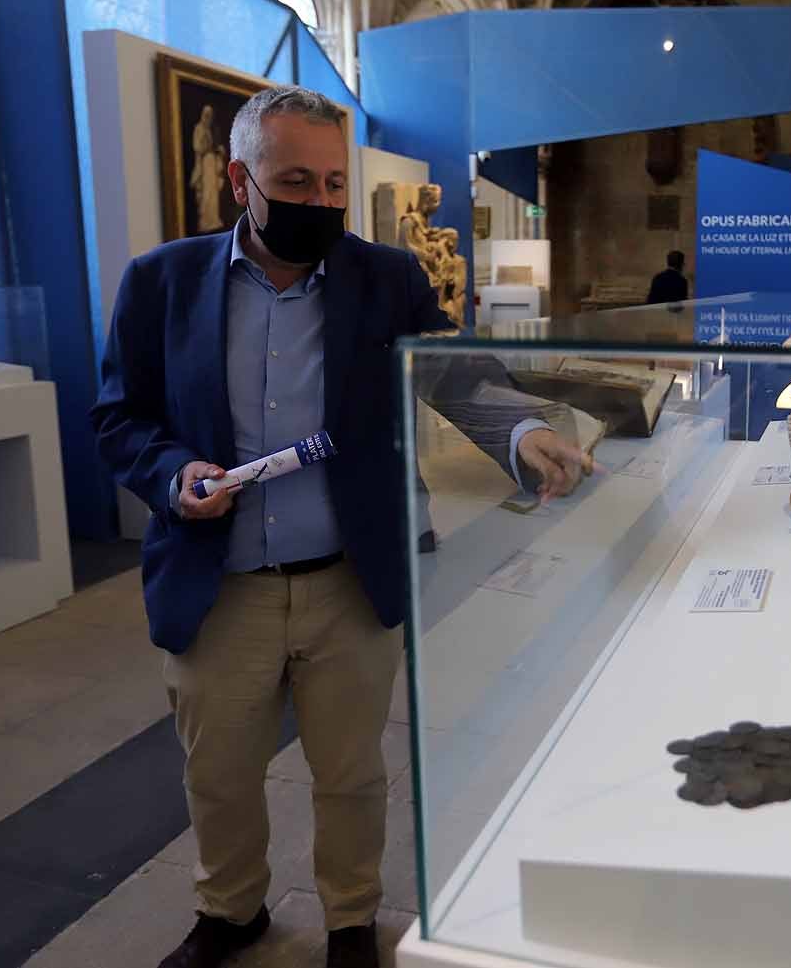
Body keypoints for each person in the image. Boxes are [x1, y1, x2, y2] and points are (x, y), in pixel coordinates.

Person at [91, 86, 589, 968]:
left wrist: (525, 429)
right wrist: (175, 476)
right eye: (297, 180)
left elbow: (457, 378)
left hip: (347, 581)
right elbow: (119, 419)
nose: (320, 202)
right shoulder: (160, 283)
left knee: (352, 775)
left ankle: (353, 919)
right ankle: (231, 908)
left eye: (332, 183)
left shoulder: (385, 278)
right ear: (241, 179)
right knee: (219, 775)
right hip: (220, 585)